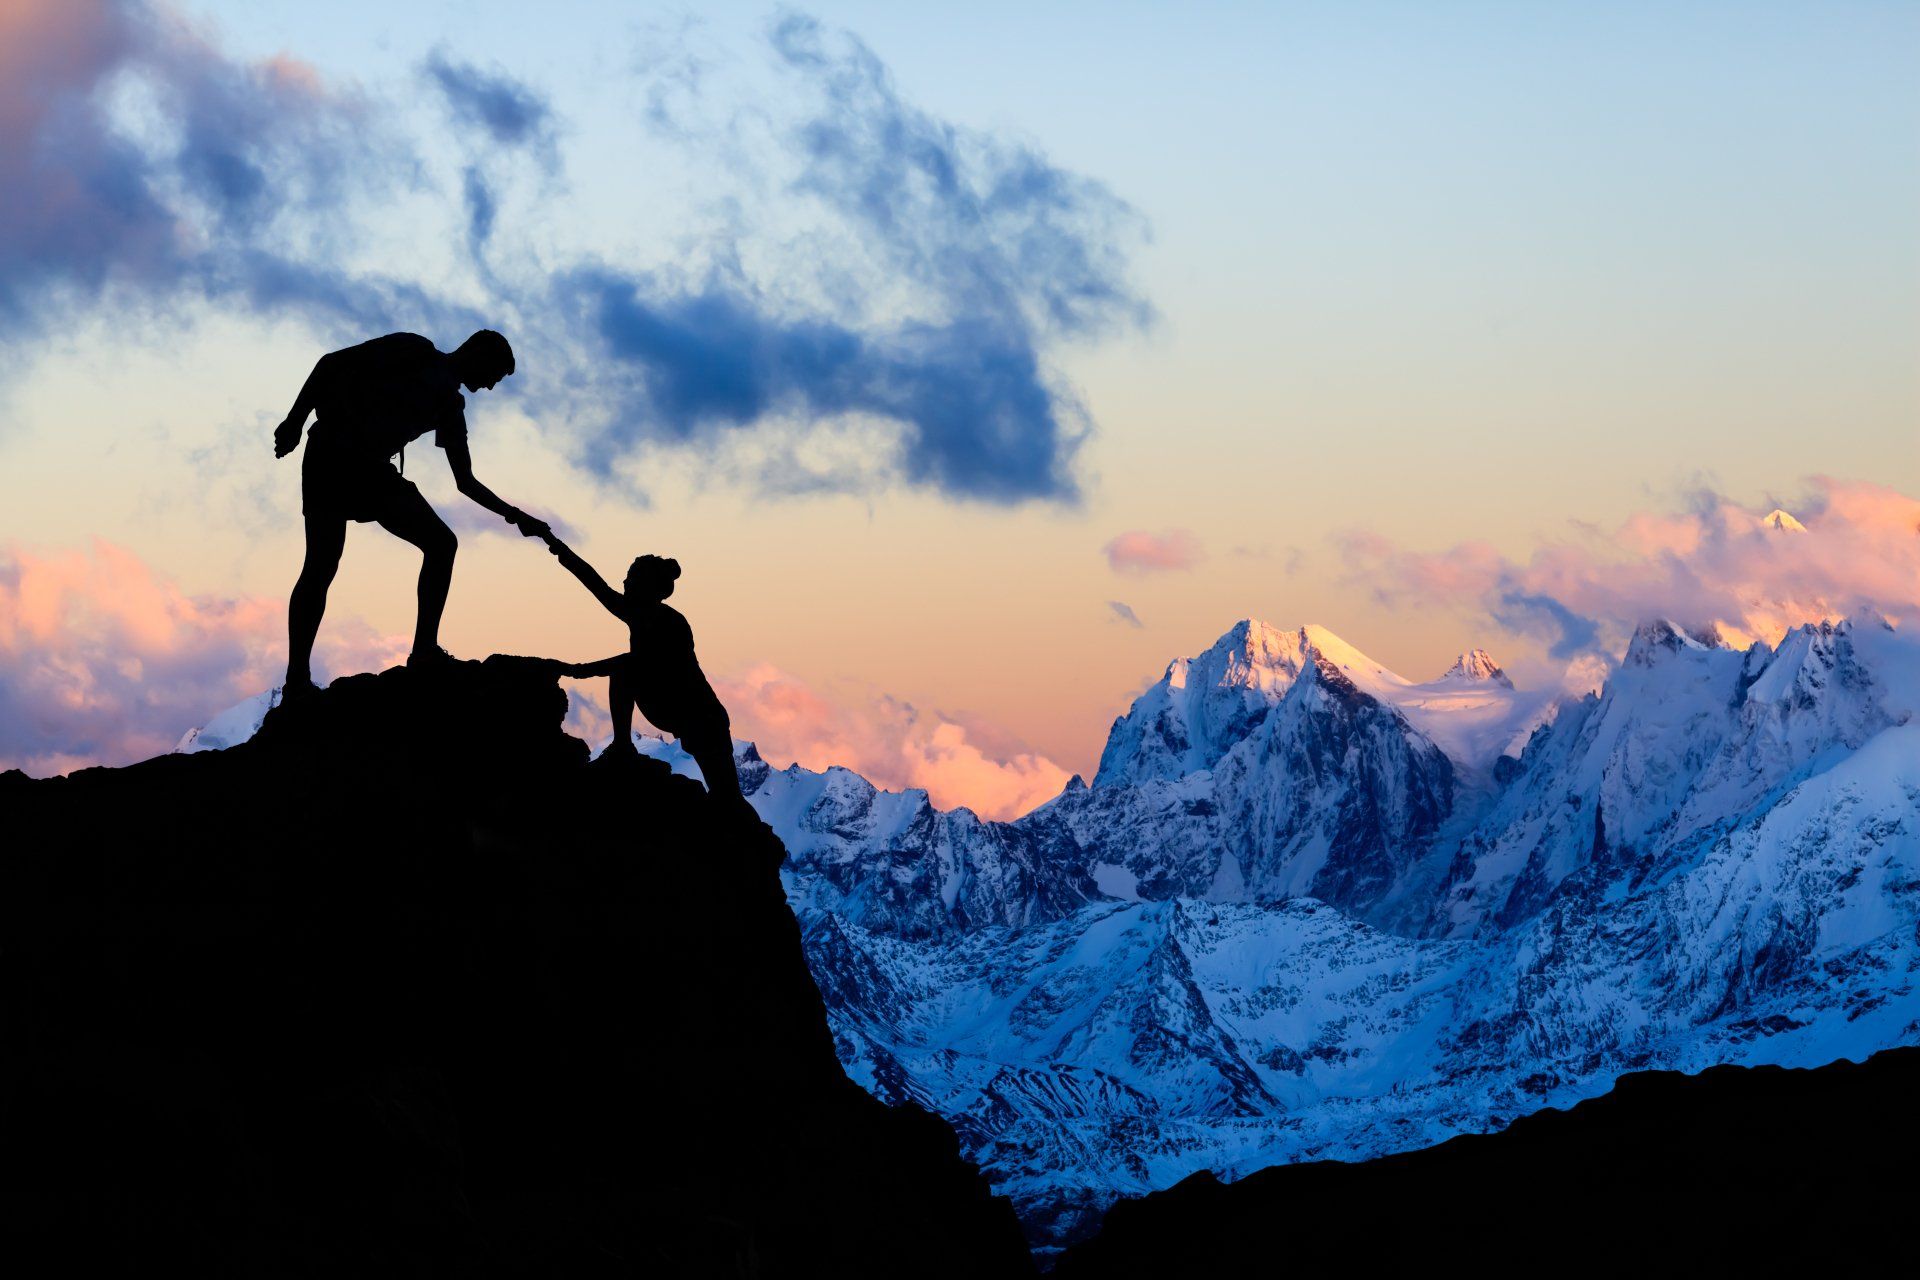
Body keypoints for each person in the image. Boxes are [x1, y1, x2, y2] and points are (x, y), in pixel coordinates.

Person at [273, 329, 549, 694]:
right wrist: (295, 420)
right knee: (321, 565)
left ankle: (423, 651)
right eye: (493, 375)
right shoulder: (413, 349)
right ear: (477, 353)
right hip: (332, 453)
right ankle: (296, 681)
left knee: (441, 544)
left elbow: (465, 480)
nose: (490, 387)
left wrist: (516, 515)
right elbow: (330, 364)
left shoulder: (451, 408)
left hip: (373, 471)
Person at [540, 534, 744, 805]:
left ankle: (623, 746)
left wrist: (576, 670)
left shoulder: (666, 623)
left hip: (701, 718)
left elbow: (633, 663)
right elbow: (593, 582)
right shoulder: (641, 612)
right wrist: (555, 545)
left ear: (646, 586)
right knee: (726, 798)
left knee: (728, 799)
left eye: (630, 578)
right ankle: (622, 745)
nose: (624, 582)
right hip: (679, 709)